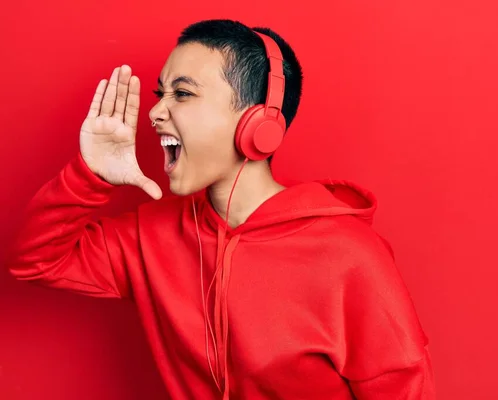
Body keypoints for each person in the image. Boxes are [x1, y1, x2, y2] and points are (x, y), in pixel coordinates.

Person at [6, 18, 435, 400]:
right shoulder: (149, 235)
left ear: (257, 124)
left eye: (183, 93)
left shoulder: (351, 256)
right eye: (161, 94)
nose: (155, 112)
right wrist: (90, 174)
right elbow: (38, 262)